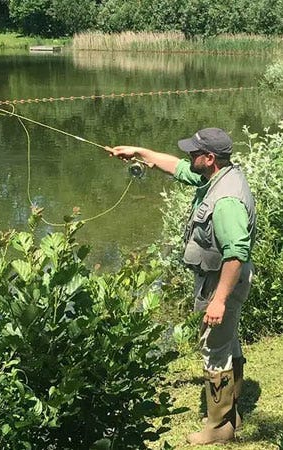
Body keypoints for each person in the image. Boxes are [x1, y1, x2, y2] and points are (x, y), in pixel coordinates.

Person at [106, 128, 256, 445]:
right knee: (227, 343)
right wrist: (137, 151)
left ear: (210, 158)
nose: (189, 155)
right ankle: (232, 414)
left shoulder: (226, 200)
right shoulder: (218, 174)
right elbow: (175, 166)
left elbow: (236, 255)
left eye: (194, 152)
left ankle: (218, 429)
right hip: (219, 279)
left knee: (214, 349)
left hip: (222, 282)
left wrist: (218, 300)